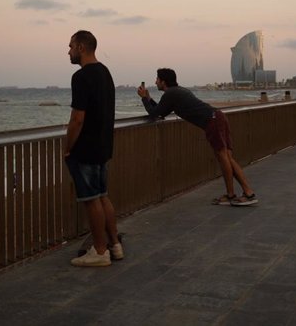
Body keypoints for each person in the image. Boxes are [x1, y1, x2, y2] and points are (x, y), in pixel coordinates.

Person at [137, 68, 258, 206]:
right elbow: (160, 111)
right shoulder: (177, 91)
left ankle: (247, 193)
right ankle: (236, 194)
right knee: (227, 158)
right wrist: (148, 98)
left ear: (163, 81)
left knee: (224, 158)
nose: (155, 82)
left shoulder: (171, 93)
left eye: (157, 79)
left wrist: (143, 99)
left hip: (213, 121)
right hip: (217, 117)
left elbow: (154, 114)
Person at [65, 30, 123, 267]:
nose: (68, 51)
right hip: (103, 145)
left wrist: (68, 147)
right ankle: (114, 246)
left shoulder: (81, 77)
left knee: (91, 200)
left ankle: (99, 252)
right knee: (102, 196)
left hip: (86, 147)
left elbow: (78, 118)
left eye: (70, 46)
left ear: (81, 47)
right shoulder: (105, 72)